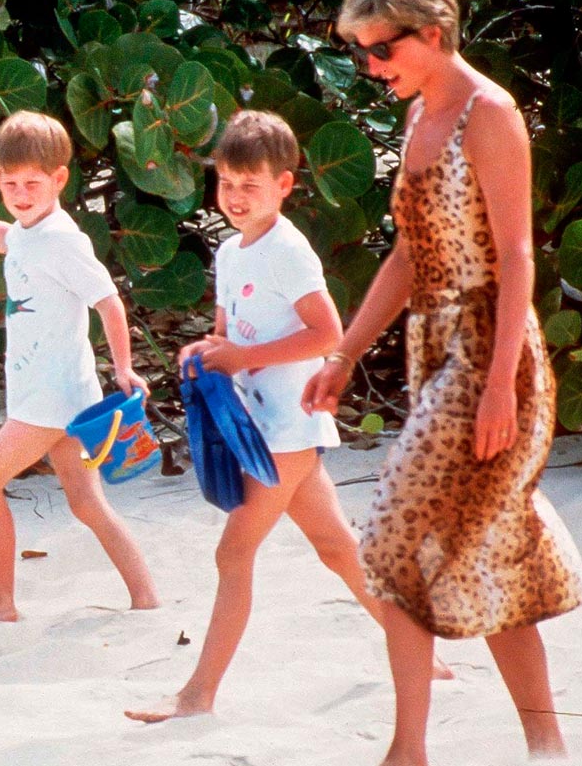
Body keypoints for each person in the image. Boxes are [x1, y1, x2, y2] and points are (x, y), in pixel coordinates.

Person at [301, 0, 582, 766]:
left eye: (379, 49)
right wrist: (345, 353)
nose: (370, 66)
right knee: (498, 550)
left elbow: (516, 256)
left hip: (490, 353)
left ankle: (409, 759)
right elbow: (406, 253)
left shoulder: (489, 114)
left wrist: (500, 384)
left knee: (388, 544)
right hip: (436, 352)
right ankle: (551, 757)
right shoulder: (422, 112)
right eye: (359, 52)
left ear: (431, 32)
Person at [124, 110, 448, 725]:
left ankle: (198, 695)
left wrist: (244, 355)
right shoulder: (228, 250)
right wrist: (205, 351)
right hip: (258, 424)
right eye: (226, 185)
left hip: (290, 425)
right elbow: (227, 333)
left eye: (252, 186)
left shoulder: (289, 250)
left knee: (232, 554)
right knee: (336, 548)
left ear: (285, 186)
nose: (236, 198)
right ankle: (421, 652)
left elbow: (328, 332)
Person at [0, 110, 160, 622]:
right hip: (56, 392)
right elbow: (10, 239)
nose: (21, 194)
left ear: (59, 179)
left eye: (33, 183)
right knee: (86, 503)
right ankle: (146, 597)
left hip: (52, 397)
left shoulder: (65, 241)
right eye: (10, 184)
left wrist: (123, 368)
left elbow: (108, 300)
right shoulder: (33, 229)